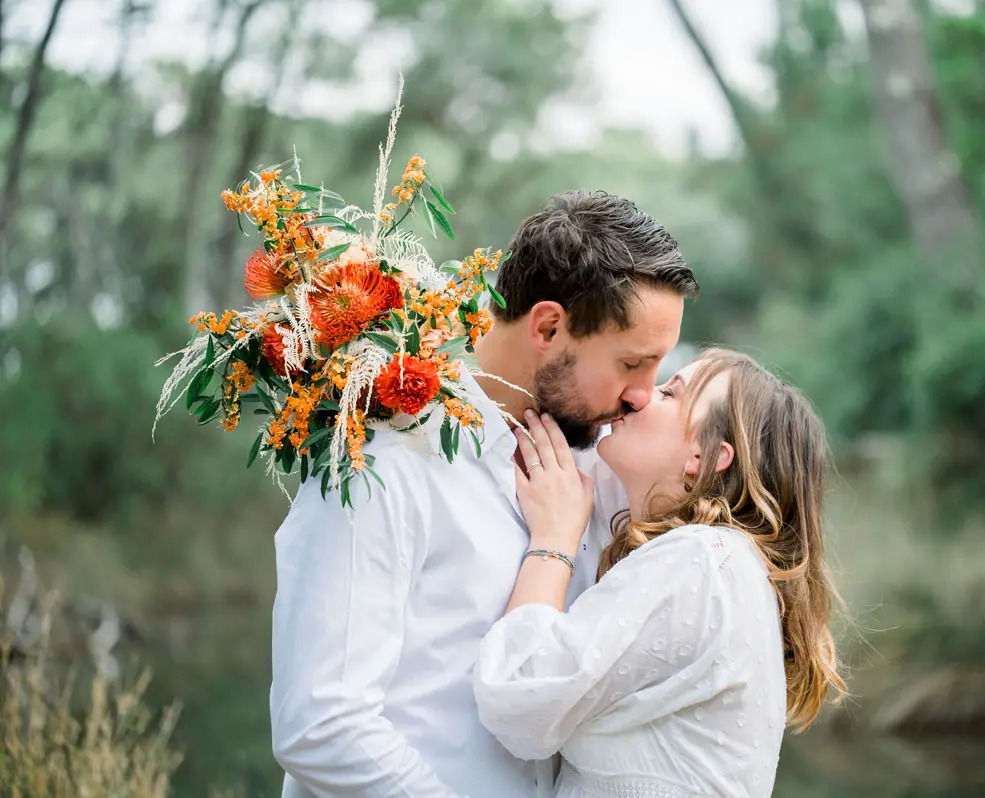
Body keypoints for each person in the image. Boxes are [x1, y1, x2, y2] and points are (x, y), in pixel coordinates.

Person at [270, 190, 699, 798]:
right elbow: (321, 725)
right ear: (549, 326)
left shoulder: (598, 479)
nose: (642, 394)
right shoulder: (384, 469)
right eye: (633, 363)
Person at [473, 348, 847, 797]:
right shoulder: (727, 564)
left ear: (707, 455)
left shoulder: (702, 560)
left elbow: (519, 697)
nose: (642, 396)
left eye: (670, 393)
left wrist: (553, 539)